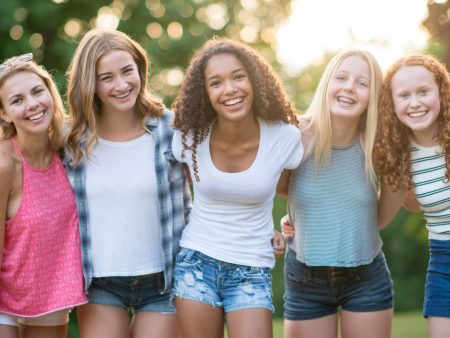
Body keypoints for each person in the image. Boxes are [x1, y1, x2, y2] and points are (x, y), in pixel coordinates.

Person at [170, 37, 303, 338]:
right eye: (216, 82)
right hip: (196, 262)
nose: (230, 89)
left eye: (238, 76)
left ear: (255, 80)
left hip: (251, 267)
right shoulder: (189, 137)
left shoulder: (284, 138)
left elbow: (294, 189)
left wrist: (287, 225)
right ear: (205, 92)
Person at [64, 29, 191, 338]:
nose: (121, 85)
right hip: (100, 284)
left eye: (126, 71)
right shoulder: (70, 140)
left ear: (140, 69)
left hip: (165, 281)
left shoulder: (171, 129)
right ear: (90, 84)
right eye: (106, 77)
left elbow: (214, 189)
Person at [279, 49, 393, 338]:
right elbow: (278, 189)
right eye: (341, 78)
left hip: (367, 276)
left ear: (372, 96)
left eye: (362, 83)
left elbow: (377, 219)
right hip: (305, 279)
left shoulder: (378, 145)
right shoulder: (295, 135)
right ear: (327, 84)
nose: (349, 88)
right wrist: (299, 219)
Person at [0, 54, 86, 337]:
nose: (32, 104)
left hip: (49, 294)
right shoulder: (4, 164)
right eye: (17, 100)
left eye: (38, 91)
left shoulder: (67, 148)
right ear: (3, 113)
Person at [374, 54, 450, 338]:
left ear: (441, 92)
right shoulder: (400, 161)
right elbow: (378, 219)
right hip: (444, 260)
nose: (415, 102)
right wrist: (300, 217)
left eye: (423, 92)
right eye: (404, 95)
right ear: (392, 104)